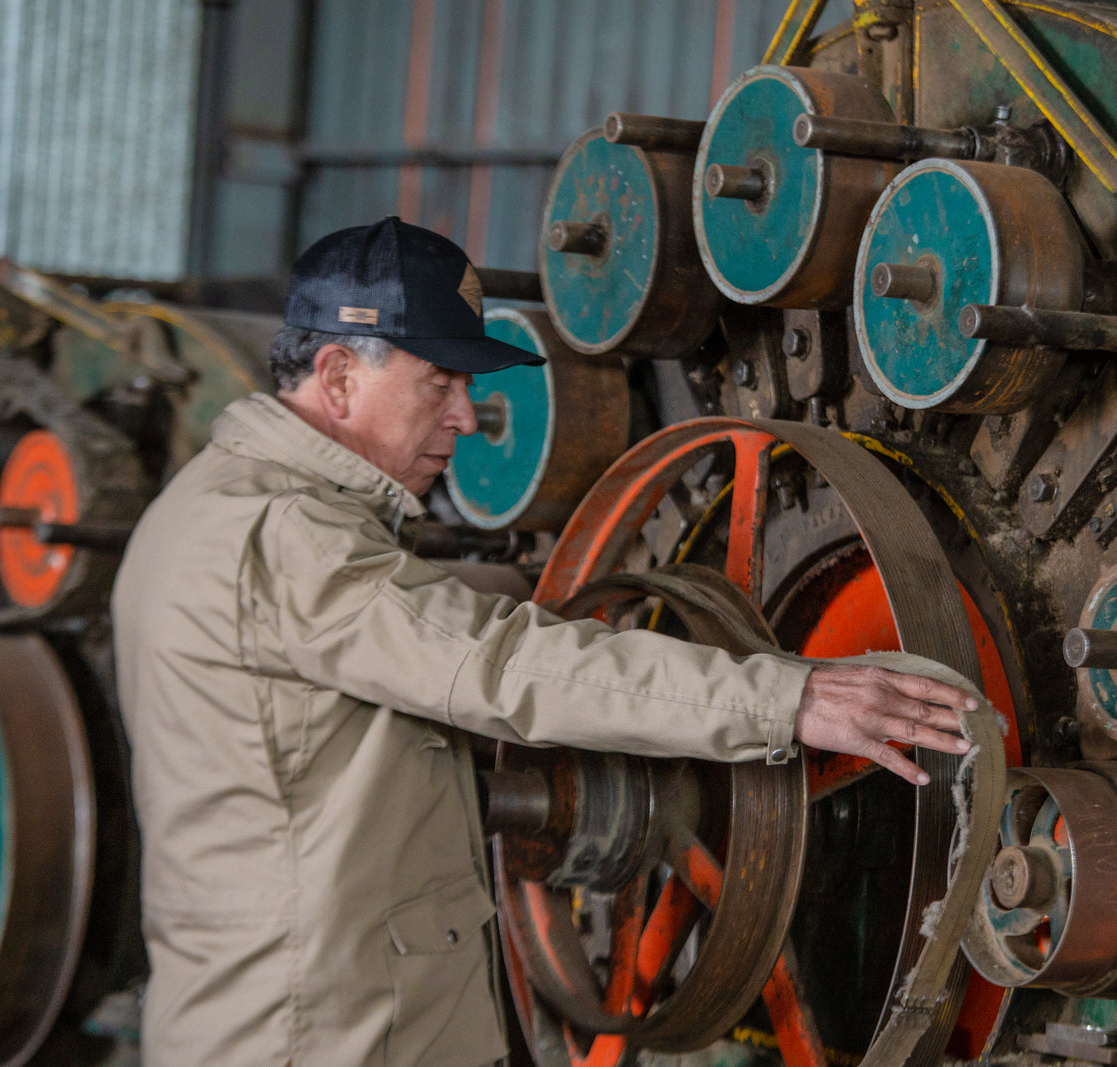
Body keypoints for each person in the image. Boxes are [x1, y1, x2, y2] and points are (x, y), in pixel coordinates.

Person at [112, 217, 980, 1067]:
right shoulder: (283, 534)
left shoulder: (211, 505)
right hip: (318, 1033)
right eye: (439, 381)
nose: (466, 415)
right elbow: (496, 664)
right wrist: (791, 697)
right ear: (339, 375)